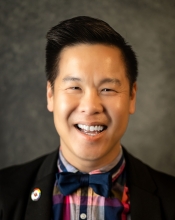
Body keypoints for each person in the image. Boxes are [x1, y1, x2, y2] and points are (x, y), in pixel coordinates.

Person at [0, 16, 175, 220]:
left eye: (107, 88)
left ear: (132, 97)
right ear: (51, 95)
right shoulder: (4, 194)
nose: (91, 107)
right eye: (75, 87)